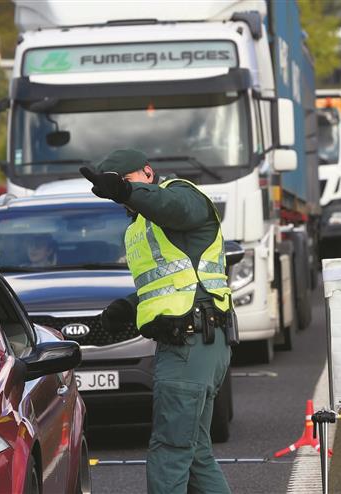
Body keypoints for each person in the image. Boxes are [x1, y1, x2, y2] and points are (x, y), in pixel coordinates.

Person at [80, 149, 235, 494]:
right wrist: (124, 308)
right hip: (196, 342)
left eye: (126, 183)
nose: (121, 195)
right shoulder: (141, 227)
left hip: (191, 345)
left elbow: (170, 208)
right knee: (194, 454)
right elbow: (172, 283)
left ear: (149, 173)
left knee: (170, 453)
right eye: (115, 189)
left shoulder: (182, 196)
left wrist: (124, 190)